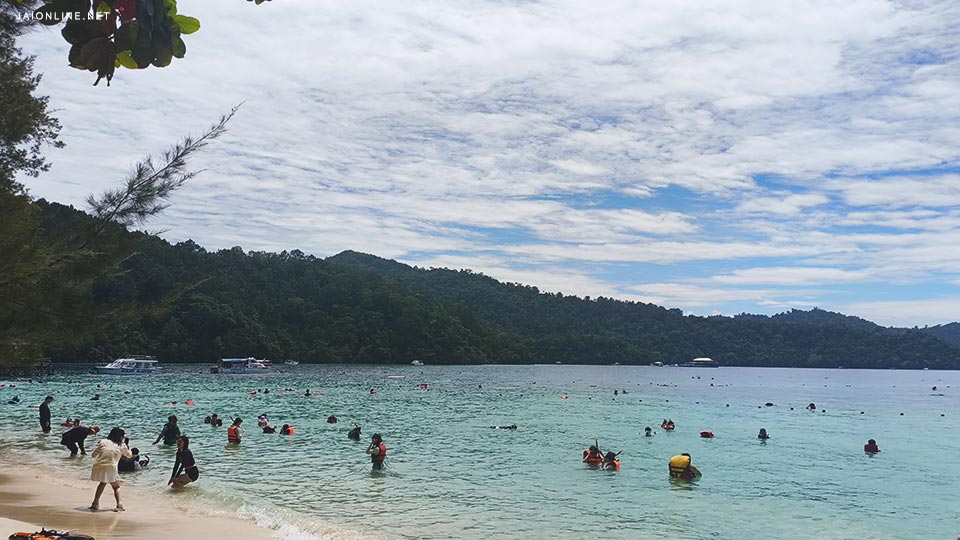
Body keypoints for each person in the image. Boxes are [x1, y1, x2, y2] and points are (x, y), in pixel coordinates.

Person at [89, 427, 132, 512]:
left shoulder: (103, 442)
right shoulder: (122, 445)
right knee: (116, 486)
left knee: (102, 483)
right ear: (121, 436)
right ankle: (119, 504)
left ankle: (95, 503)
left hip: (98, 466)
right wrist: (128, 447)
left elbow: (93, 455)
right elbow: (129, 455)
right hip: (111, 467)